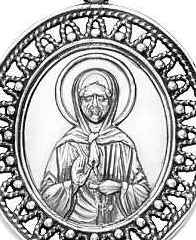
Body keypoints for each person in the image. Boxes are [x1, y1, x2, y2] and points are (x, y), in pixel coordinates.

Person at [41, 68, 150, 226]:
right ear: (78, 102)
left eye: (101, 98)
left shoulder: (123, 145)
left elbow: (144, 193)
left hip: (116, 223)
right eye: (87, 98)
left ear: (112, 102)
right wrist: (72, 184)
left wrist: (120, 187)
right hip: (76, 225)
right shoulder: (66, 146)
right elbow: (46, 197)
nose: (94, 105)